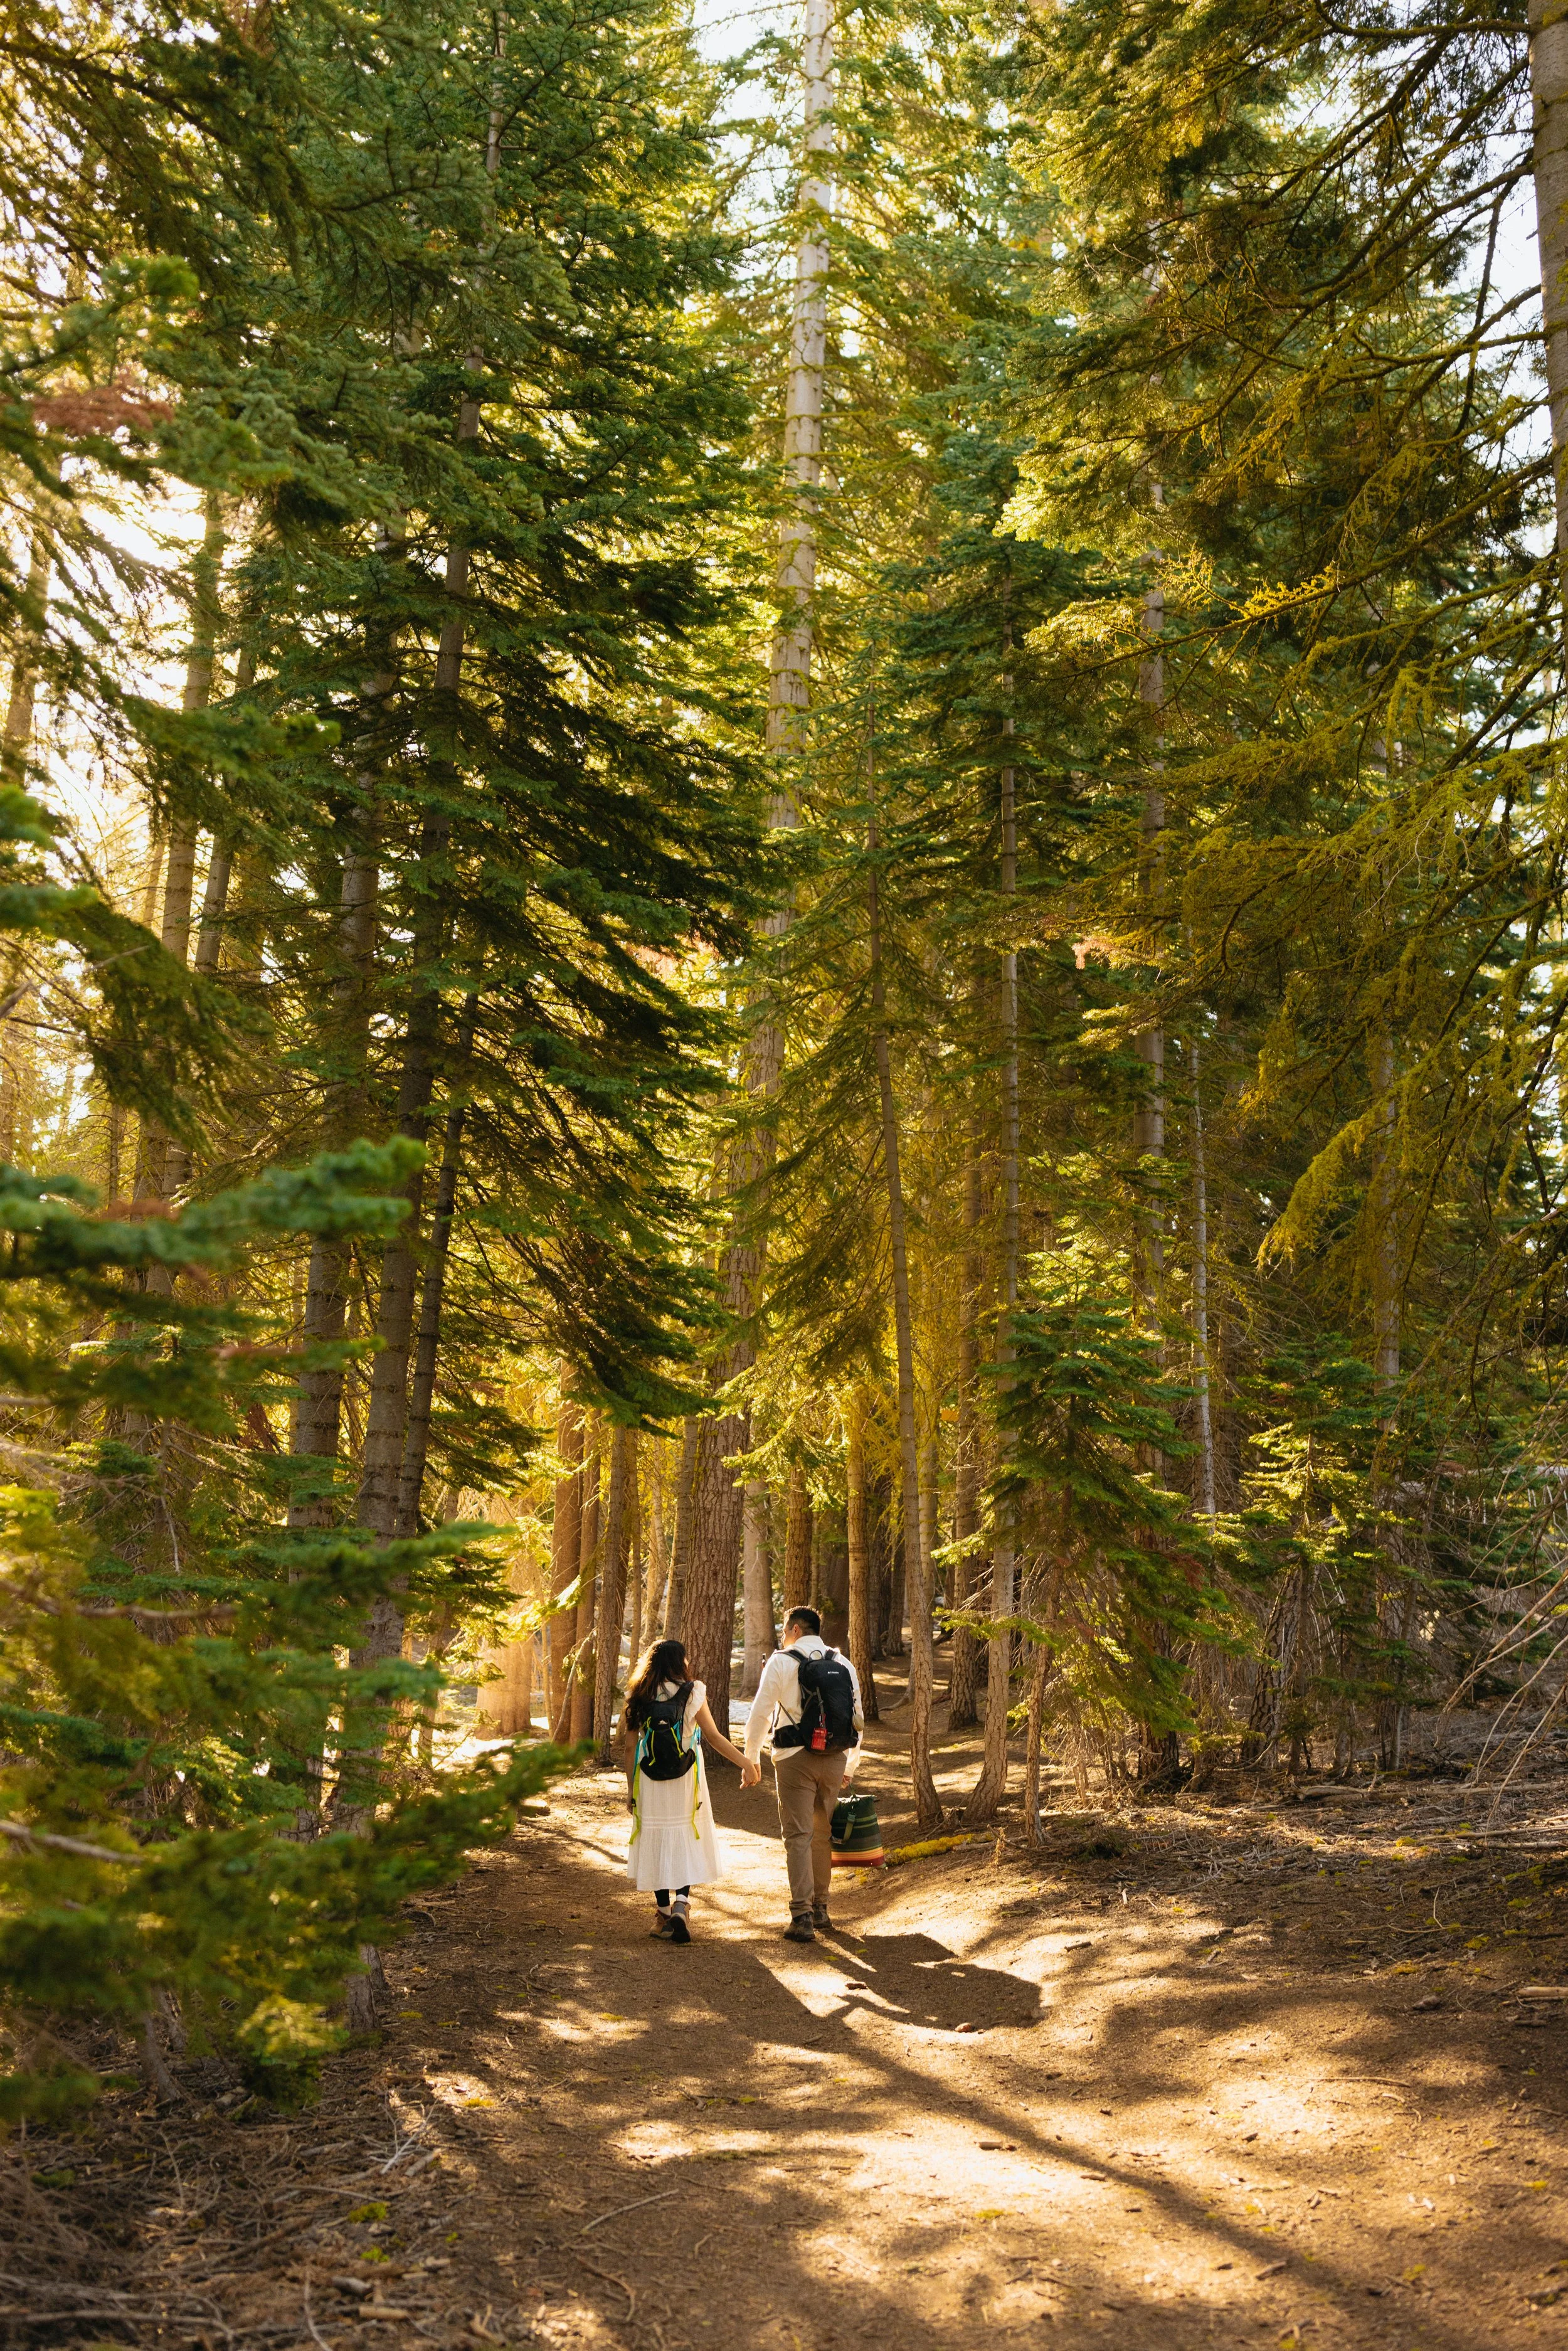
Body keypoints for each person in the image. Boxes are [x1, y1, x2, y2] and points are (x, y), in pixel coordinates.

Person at [743, 1605, 865, 1943]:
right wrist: (849, 1766)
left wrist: (750, 1760)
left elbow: (760, 1714)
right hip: (835, 1757)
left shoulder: (782, 1662)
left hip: (794, 1757)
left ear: (795, 1630)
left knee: (798, 1835)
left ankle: (802, 1916)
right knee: (822, 1833)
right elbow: (857, 1717)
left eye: (784, 1631)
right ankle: (822, 1908)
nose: (783, 1637)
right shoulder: (844, 1664)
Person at [623, 1637, 757, 1943]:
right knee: (684, 1835)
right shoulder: (693, 1691)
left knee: (656, 1837)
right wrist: (746, 1762)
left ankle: (664, 1913)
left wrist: (631, 1790)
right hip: (685, 1778)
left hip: (649, 1778)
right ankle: (681, 1905)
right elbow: (713, 1737)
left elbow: (630, 1748)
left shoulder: (637, 1694)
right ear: (679, 1662)